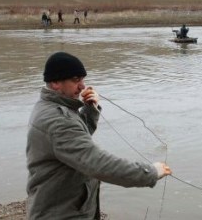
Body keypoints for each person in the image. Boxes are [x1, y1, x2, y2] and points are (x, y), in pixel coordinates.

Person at [26, 52, 172, 219]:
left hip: (62, 206)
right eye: (75, 80)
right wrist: (150, 173)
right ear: (55, 82)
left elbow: (73, 145)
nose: (82, 86)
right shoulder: (58, 120)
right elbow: (98, 163)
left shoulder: (49, 107)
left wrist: (90, 109)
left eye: (82, 79)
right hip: (62, 213)